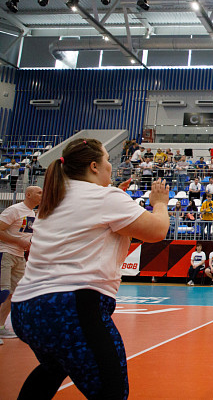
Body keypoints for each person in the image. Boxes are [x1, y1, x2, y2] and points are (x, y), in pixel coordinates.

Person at [11, 138, 169, 399]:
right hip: (71, 306)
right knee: (112, 393)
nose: (110, 165)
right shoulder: (106, 198)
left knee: (54, 367)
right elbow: (158, 230)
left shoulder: (54, 199)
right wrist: (160, 202)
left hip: (26, 309)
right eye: (107, 160)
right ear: (94, 166)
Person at [0, 186, 42, 340]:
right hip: (5, 253)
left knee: (15, 293)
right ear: (28, 194)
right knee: (3, 292)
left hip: (19, 256)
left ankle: (1, 326)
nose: (42, 195)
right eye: (39, 192)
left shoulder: (31, 213)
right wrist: (18, 241)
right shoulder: (14, 210)